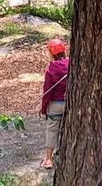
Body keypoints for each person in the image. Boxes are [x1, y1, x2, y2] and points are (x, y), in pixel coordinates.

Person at [40, 38, 68, 169]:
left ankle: (48, 159)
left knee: (52, 130)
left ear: (51, 53)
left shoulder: (51, 69)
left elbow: (47, 91)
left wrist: (44, 108)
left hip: (56, 104)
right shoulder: (72, 64)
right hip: (70, 103)